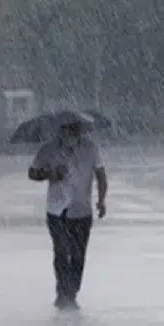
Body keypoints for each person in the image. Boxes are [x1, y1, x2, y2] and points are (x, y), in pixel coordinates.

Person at [28, 118, 107, 310]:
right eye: (68, 129)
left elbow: (101, 175)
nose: (71, 133)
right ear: (61, 130)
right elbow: (32, 173)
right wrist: (50, 174)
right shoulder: (48, 149)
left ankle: (72, 293)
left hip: (82, 209)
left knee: (78, 255)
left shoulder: (91, 149)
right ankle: (62, 293)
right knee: (62, 252)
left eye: (75, 129)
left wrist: (101, 200)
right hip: (57, 210)